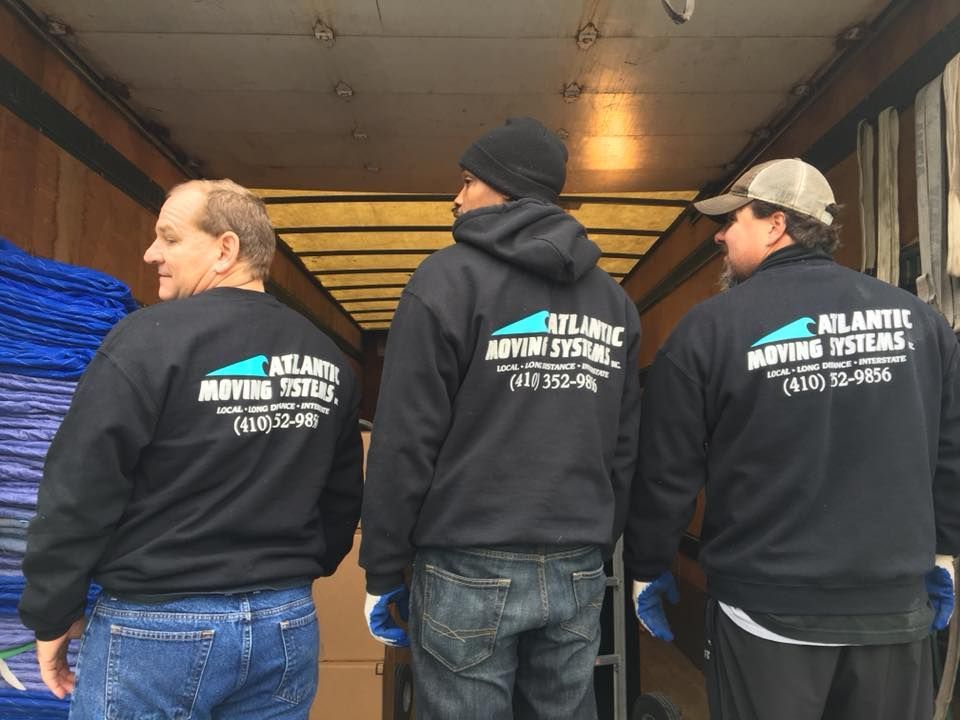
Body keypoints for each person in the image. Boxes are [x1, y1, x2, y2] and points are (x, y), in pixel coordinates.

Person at [624, 158, 960, 720]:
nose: (720, 235)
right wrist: (945, 550)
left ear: (776, 223)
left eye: (733, 220)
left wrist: (648, 562)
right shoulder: (919, 323)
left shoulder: (708, 330)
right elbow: (951, 448)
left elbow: (667, 471)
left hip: (765, 616)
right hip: (893, 612)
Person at [19, 179, 364, 719]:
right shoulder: (325, 356)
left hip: (156, 628)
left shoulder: (146, 339)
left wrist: (51, 612)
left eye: (170, 238)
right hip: (284, 623)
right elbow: (342, 500)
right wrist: (285, 574)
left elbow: (80, 488)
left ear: (225, 249)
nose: (150, 252)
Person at [359, 117, 642, 719]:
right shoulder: (612, 301)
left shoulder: (445, 280)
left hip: (467, 563)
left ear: (505, 188)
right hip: (575, 565)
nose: (457, 198)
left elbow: (405, 440)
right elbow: (624, 442)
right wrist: (597, 534)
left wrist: (383, 564)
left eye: (467, 182)